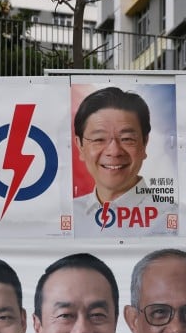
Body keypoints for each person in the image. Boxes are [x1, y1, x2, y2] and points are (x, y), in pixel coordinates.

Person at [72, 86, 175, 236]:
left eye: (127, 139)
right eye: (99, 139)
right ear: (80, 146)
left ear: (145, 143)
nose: (114, 151)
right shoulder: (68, 215)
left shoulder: (169, 218)